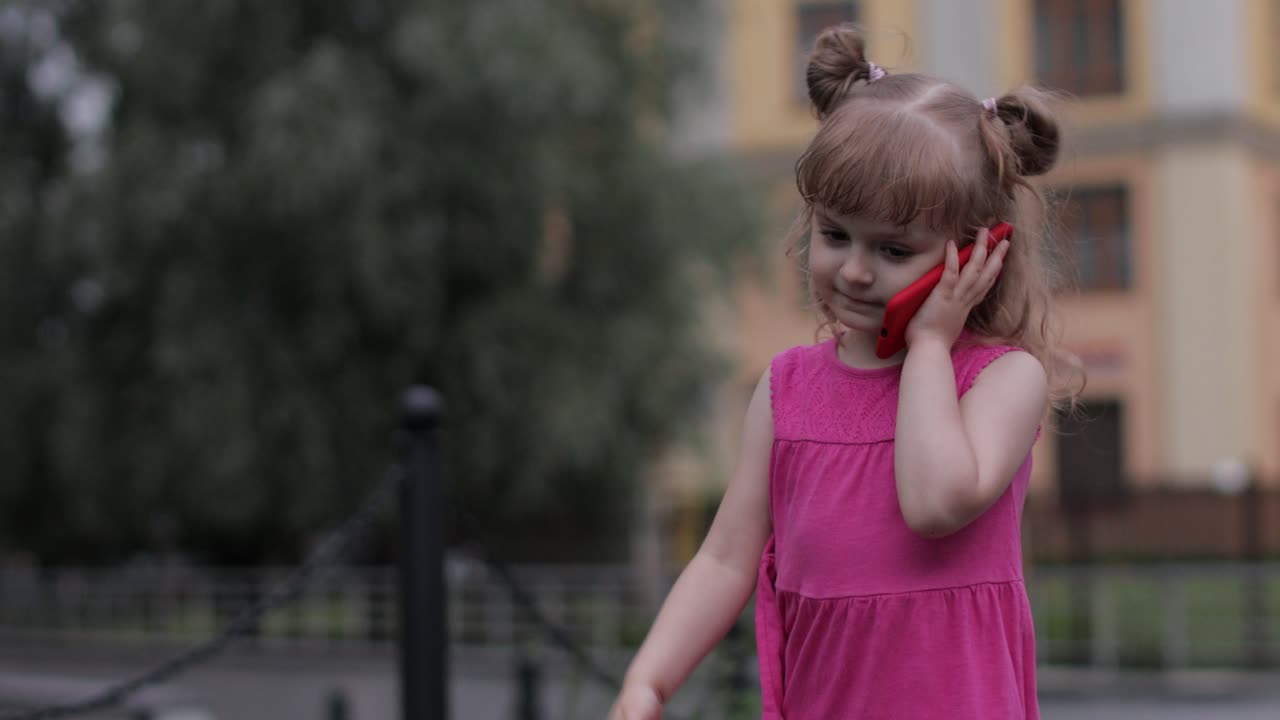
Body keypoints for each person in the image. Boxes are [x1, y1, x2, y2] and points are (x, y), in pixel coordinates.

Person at [608, 23, 1085, 720]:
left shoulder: (1003, 380)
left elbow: (934, 503)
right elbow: (724, 558)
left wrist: (927, 347)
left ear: (980, 252)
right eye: (834, 234)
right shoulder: (786, 388)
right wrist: (647, 680)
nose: (854, 270)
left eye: (893, 249)